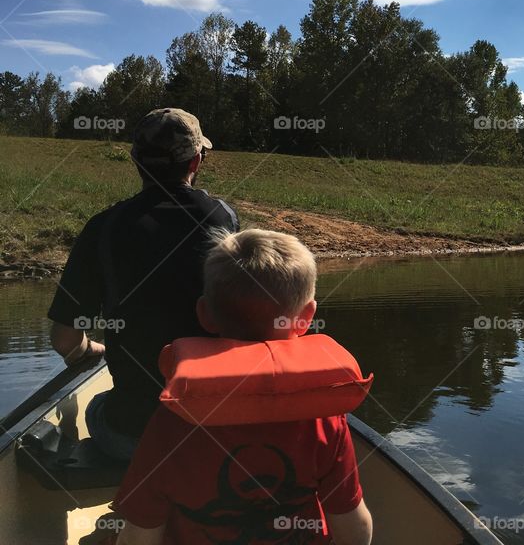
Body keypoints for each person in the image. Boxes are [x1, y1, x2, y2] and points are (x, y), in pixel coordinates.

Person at [113, 229, 373, 545]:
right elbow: (355, 529)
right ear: (306, 318)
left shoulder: (176, 418)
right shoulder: (326, 418)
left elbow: (140, 537)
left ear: (204, 314)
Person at [47, 108, 239, 460]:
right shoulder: (225, 218)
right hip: (218, 430)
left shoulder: (103, 228)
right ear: (196, 161)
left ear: (137, 161)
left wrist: (86, 350)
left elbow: (64, 339)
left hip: (138, 436)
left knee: (98, 407)